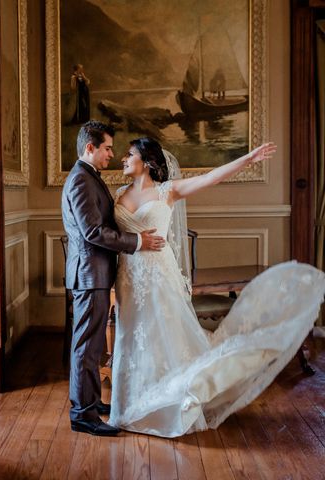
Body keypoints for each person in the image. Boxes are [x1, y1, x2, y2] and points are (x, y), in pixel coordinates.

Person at [109, 137, 325, 437]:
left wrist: (247, 159)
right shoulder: (118, 194)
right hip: (128, 276)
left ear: (146, 161)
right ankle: (128, 406)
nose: (122, 158)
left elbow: (211, 178)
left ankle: (166, 404)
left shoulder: (167, 191)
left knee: (164, 336)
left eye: (129, 154)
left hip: (159, 274)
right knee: (131, 335)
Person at [61, 121, 166, 437]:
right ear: (90, 148)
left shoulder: (90, 177)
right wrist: (137, 242)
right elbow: (93, 232)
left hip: (96, 273)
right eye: (107, 148)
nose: (112, 154)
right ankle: (82, 415)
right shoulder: (81, 180)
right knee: (87, 348)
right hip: (89, 274)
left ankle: (89, 404)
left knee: (91, 345)